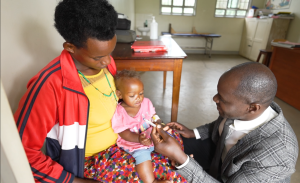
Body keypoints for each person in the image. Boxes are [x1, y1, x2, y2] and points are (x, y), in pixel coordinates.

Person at [14, 0, 187, 182]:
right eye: (98, 57)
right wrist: (75, 181)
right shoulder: (49, 86)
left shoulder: (107, 66)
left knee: (175, 144)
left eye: (109, 52)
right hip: (91, 161)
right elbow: (23, 153)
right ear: (70, 48)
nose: (106, 62)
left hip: (121, 143)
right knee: (173, 176)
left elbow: (115, 104)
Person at [151, 62, 299, 183]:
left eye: (222, 98)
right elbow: (221, 125)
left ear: (252, 108)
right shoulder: (241, 110)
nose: (215, 99)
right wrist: (193, 133)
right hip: (220, 158)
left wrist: (182, 160)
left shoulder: (277, 156)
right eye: (218, 93)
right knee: (163, 148)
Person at [111, 70, 170, 183]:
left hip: (152, 137)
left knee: (169, 141)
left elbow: (153, 116)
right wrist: (139, 139)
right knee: (142, 156)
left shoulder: (146, 103)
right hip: (135, 143)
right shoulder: (120, 112)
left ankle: (180, 160)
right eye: (132, 95)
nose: (138, 98)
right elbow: (123, 132)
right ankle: (152, 181)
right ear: (119, 94)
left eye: (141, 93)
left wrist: (158, 122)